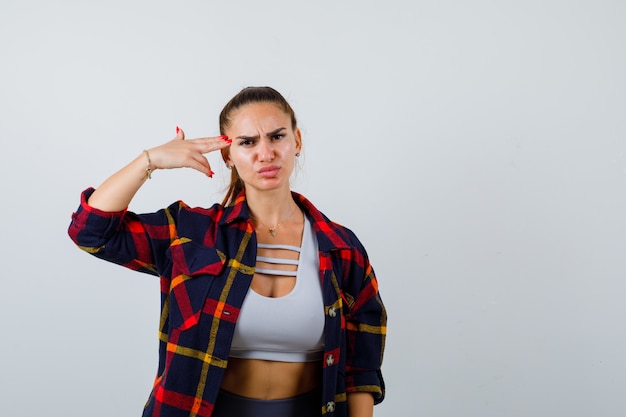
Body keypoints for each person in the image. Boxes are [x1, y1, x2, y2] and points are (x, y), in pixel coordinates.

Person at [68, 86, 386, 417]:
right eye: (248, 142)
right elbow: (90, 232)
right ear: (227, 154)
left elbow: (361, 370)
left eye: (277, 137)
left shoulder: (341, 247)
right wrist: (151, 160)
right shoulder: (191, 233)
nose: (266, 153)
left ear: (297, 141)